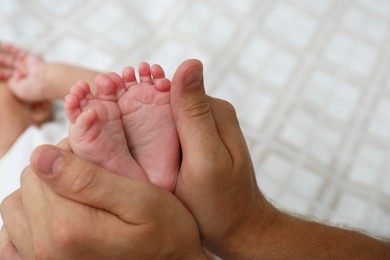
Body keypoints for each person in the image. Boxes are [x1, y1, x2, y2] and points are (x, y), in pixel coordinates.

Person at [1, 59, 389, 259]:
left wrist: (48, 77)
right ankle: (149, 181)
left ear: (36, 109)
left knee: (97, 127)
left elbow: (111, 97)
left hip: (87, 174)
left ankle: (141, 173)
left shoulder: (53, 133)